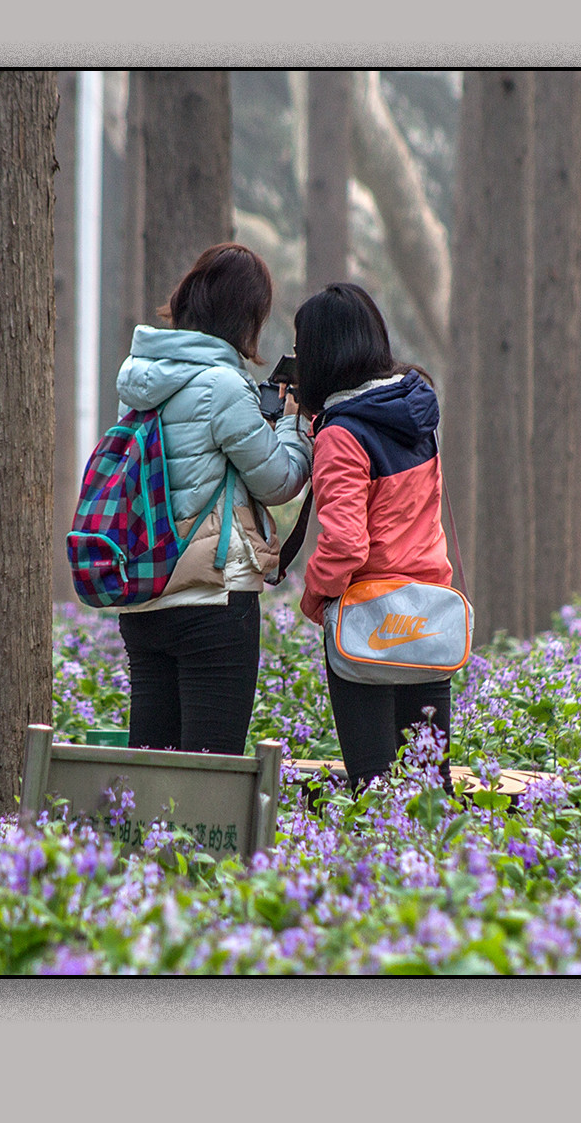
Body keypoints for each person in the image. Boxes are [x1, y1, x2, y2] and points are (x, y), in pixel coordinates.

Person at [115, 243, 312, 755]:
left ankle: (137, 842)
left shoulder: (140, 381)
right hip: (213, 600)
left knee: (152, 768)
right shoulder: (224, 386)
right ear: (245, 315)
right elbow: (280, 482)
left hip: (145, 597)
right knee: (211, 774)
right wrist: (293, 425)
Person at [292, 283, 454, 792]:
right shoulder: (415, 417)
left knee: (375, 787)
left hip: (369, 622)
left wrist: (314, 598)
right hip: (428, 616)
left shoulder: (341, 435)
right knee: (430, 787)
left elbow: (345, 545)